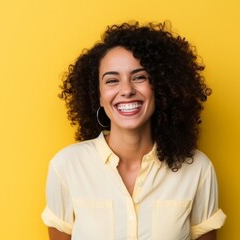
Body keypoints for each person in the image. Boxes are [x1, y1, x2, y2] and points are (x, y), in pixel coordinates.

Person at [42, 21, 226, 240]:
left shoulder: (197, 169)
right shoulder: (67, 166)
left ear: (160, 87)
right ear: (98, 96)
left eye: (139, 77)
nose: (127, 90)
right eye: (112, 80)